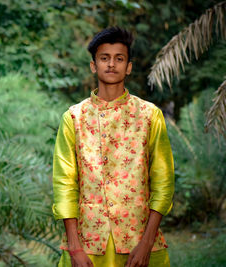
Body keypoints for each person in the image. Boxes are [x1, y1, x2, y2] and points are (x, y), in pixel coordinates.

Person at [52, 27, 174, 267]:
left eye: (119, 58)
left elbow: (163, 182)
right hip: (87, 246)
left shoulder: (149, 116)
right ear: (93, 65)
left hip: (139, 242)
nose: (111, 64)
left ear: (128, 67)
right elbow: (64, 184)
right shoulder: (74, 118)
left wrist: (146, 244)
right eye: (104, 58)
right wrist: (75, 248)